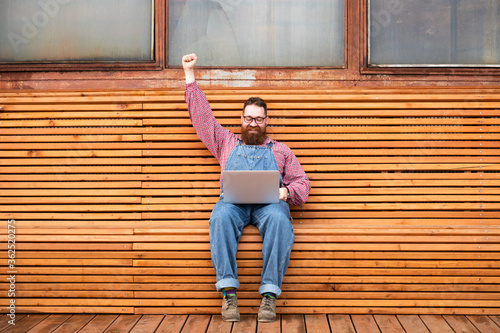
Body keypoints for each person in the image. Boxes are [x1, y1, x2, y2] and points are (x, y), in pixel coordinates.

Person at [182, 53, 310, 323]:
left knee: (280, 220)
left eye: (259, 119)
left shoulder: (281, 151)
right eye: (249, 118)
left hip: (268, 207)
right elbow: (202, 118)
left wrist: (286, 192)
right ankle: (228, 293)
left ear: (266, 121)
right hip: (233, 205)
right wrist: (189, 75)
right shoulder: (224, 142)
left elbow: (302, 183)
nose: (253, 124)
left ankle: (270, 295)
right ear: (241, 119)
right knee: (219, 216)